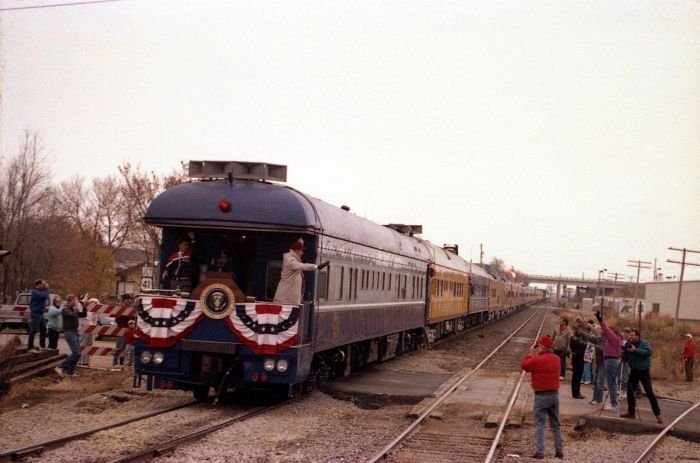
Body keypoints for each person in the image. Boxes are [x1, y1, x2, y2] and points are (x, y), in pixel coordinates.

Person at [521, 335, 564, 460]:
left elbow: (525, 366)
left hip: (541, 396)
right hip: (554, 395)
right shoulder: (557, 359)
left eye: (539, 345)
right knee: (555, 424)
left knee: (540, 424)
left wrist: (530, 354)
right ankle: (559, 451)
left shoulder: (537, 359)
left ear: (542, 347)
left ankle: (540, 451)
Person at [621, 329, 663, 424]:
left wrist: (635, 350)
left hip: (643, 371)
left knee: (649, 392)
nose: (630, 337)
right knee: (630, 391)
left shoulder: (644, 343)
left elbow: (648, 352)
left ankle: (657, 414)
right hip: (634, 370)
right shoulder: (629, 343)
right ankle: (631, 412)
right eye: (630, 335)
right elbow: (626, 356)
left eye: (632, 335)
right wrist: (623, 353)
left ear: (637, 336)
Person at [273, 239, 329, 305]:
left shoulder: (291, 259)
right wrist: (317, 267)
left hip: (288, 299)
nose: (302, 253)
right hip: (285, 300)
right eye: (301, 251)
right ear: (296, 250)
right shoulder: (290, 261)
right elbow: (302, 266)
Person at [594, 309, 623, 411]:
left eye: (611, 331)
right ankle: (613, 403)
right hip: (610, 360)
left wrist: (600, 320)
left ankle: (613, 404)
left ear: (613, 332)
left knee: (611, 383)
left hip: (611, 360)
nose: (607, 332)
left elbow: (606, 330)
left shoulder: (614, 338)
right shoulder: (615, 339)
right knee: (612, 382)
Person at [54, 294, 87, 378]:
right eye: (74, 300)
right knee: (76, 353)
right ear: (69, 301)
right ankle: (60, 366)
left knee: (78, 353)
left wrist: (84, 306)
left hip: (75, 332)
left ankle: (70, 372)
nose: (76, 302)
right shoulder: (65, 309)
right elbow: (73, 315)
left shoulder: (74, 309)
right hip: (69, 333)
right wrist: (77, 306)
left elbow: (83, 315)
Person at [27, 279, 49, 352]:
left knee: (43, 329)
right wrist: (46, 288)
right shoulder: (35, 292)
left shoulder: (40, 291)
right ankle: (30, 347)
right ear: (38, 284)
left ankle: (42, 346)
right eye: (43, 284)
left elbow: (45, 296)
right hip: (35, 313)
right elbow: (44, 296)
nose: (44, 286)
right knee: (34, 330)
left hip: (41, 313)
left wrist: (45, 289)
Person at [569, 320, 587, 399]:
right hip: (576, 358)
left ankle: (577, 392)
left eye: (582, 329)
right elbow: (574, 346)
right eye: (580, 329)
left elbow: (585, 345)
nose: (581, 331)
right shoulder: (574, 337)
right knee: (576, 376)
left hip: (581, 357)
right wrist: (581, 343)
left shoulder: (582, 337)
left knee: (579, 376)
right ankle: (575, 393)